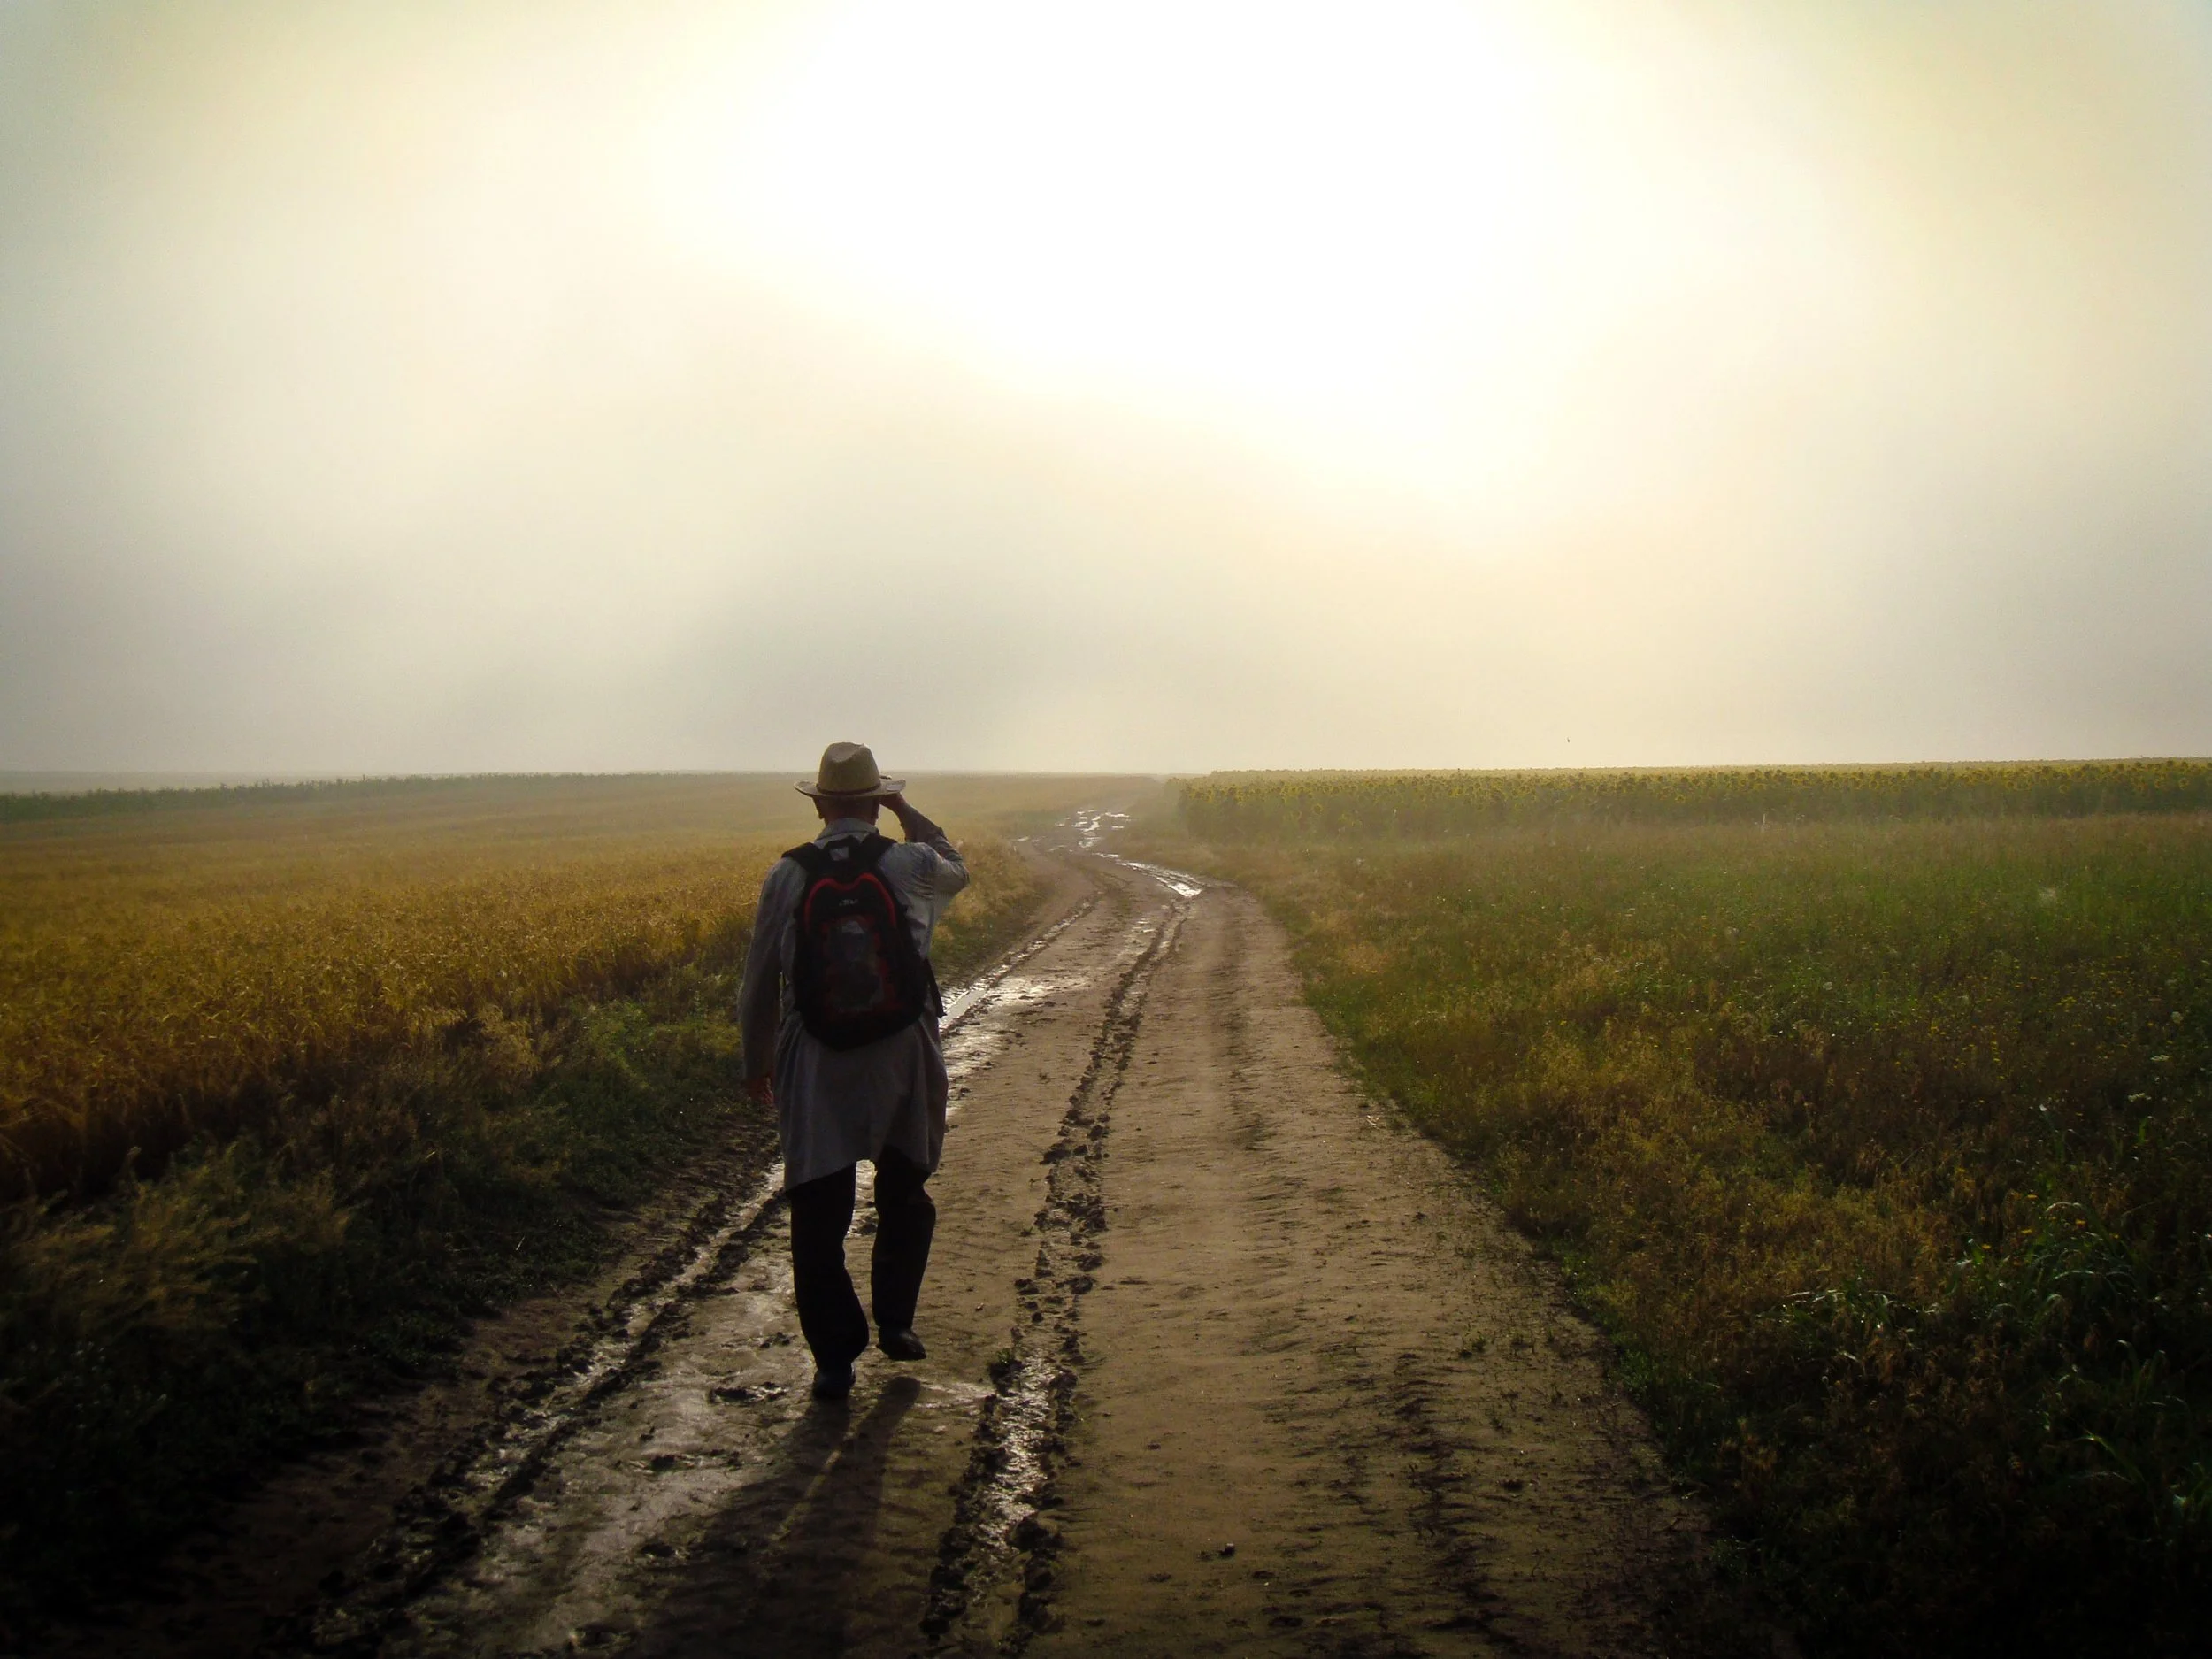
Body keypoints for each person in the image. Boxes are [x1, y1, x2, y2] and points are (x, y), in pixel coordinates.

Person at [737, 741, 969, 1402]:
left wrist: (756, 1063)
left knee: (818, 1207)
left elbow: (758, 980)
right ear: (873, 799)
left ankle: (835, 1359)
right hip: (903, 1051)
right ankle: (895, 1319)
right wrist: (907, 810)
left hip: (815, 1056)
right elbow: (959, 866)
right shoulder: (909, 863)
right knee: (904, 1187)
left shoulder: (787, 875)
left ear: (821, 802)